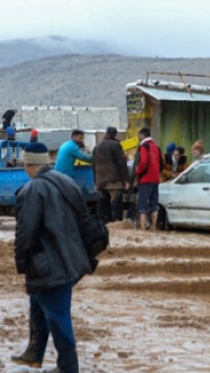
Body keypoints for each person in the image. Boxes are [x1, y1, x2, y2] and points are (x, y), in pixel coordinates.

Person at [11, 142, 91, 373]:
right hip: (71, 259)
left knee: (58, 316)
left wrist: (21, 263)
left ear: (27, 164)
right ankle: (34, 353)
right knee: (38, 305)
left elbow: (25, 234)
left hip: (48, 264)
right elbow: (84, 218)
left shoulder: (32, 190)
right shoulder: (66, 181)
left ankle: (68, 367)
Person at [92, 127, 130, 222]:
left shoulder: (97, 146)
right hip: (114, 181)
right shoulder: (116, 145)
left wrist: (96, 182)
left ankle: (104, 225)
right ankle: (116, 225)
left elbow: (93, 165)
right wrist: (126, 180)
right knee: (115, 204)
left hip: (100, 181)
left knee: (103, 204)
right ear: (115, 134)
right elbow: (121, 164)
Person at [133, 127, 162, 231]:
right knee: (154, 204)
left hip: (145, 179)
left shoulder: (144, 146)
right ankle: (154, 227)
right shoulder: (156, 147)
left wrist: (138, 172)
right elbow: (161, 164)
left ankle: (143, 228)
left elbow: (143, 162)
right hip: (155, 179)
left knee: (142, 205)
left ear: (142, 135)